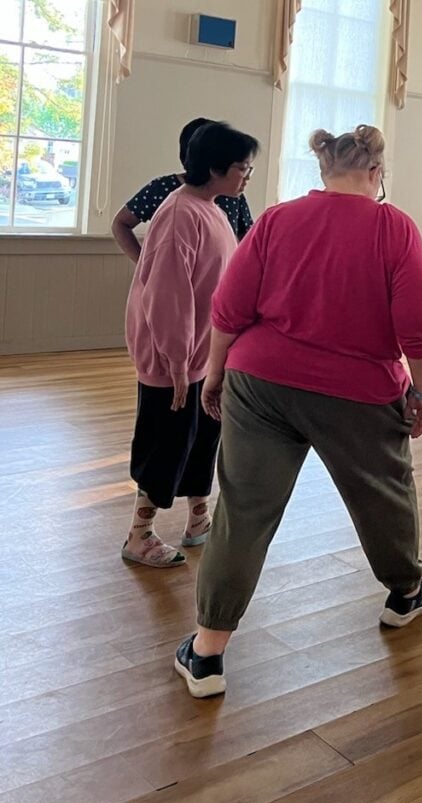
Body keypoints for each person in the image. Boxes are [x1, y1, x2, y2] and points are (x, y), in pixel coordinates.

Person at [174, 125, 422, 698]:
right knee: (383, 495)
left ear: (323, 172)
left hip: (260, 381)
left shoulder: (276, 219)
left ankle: (206, 653)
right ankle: (405, 594)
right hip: (358, 392)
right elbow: (417, 328)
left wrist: (216, 375)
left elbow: (228, 309)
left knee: (243, 510)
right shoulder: (395, 228)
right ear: (377, 173)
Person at [122, 122, 259, 568]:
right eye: (242, 167)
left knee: (203, 438)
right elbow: (168, 294)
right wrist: (177, 362)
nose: (247, 176)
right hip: (173, 359)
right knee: (166, 442)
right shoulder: (179, 213)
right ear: (215, 167)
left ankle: (198, 519)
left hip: (203, 354)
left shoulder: (213, 207)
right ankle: (139, 535)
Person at [111, 117, 255, 262]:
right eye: (242, 168)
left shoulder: (231, 192)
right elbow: (121, 223)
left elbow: (246, 237)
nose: (246, 177)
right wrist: (143, 263)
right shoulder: (166, 193)